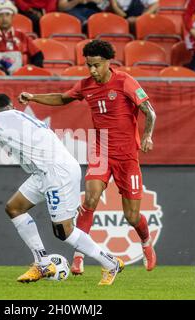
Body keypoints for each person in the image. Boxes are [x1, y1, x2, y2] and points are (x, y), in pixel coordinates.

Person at [0, 93, 125, 285]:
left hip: (57, 173)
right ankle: (42, 262)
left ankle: (110, 263)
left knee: (63, 232)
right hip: (45, 172)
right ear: (11, 106)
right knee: (14, 207)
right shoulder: (23, 116)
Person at [18, 39, 157, 275]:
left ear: (108, 62)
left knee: (131, 216)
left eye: (96, 65)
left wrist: (147, 136)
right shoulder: (86, 85)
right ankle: (79, 257)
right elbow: (63, 98)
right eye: (89, 65)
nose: (92, 70)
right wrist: (33, 97)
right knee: (90, 200)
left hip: (127, 155)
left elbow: (149, 111)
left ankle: (145, 243)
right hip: (101, 151)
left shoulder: (125, 81)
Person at [0, 0, 44, 74]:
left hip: (17, 76)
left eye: (7, 15)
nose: (4, 19)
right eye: (0, 15)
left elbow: (38, 55)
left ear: (12, 17)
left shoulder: (21, 35)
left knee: (17, 56)